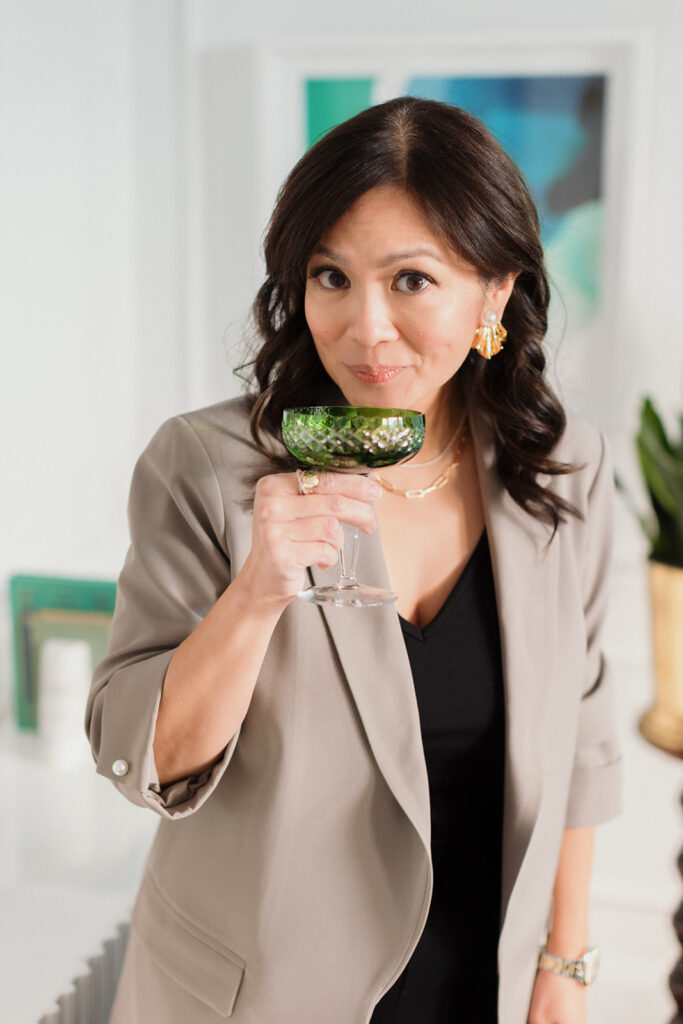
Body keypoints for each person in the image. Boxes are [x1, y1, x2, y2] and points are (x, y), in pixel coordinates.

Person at [86, 97, 621, 1024]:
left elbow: (583, 727)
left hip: (480, 983)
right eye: (330, 277)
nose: (365, 328)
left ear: (493, 294)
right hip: (259, 998)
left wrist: (562, 965)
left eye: (410, 281)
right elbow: (148, 759)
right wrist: (255, 594)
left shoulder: (562, 465)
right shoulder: (204, 468)